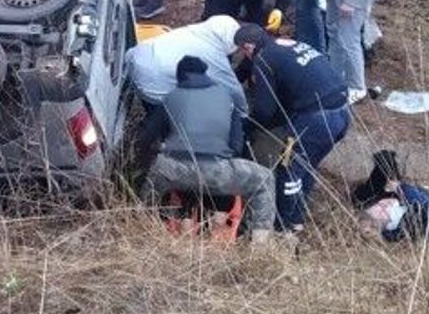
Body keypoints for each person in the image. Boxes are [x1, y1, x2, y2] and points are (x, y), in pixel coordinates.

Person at [137, 56, 277, 242]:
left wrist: (153, 158)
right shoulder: (227, 98)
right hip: (218, 172)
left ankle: (143, 232)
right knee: (265, 178)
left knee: (153, 183)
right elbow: (236, 145)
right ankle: (259, 246)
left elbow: (146, 139)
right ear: (205, 74)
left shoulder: (170, 98)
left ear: (180, 77)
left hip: (176, 172)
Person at [234, 24, 349, 231]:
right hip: (341, 112)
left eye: (242, 51)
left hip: (316, 120)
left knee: (289, 170)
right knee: (306, 166)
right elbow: (243, 71)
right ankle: (296, 220)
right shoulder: (286, 46)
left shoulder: (263, 60)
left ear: (249, 47)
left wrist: (246, 127)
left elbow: (264, 111)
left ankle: (282, 226)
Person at [124, 15, 246, 111]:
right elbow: (233, 89)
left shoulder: (193, 31)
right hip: (154, 83)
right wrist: (243, 113)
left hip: (136, 61)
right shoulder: (213, 55)